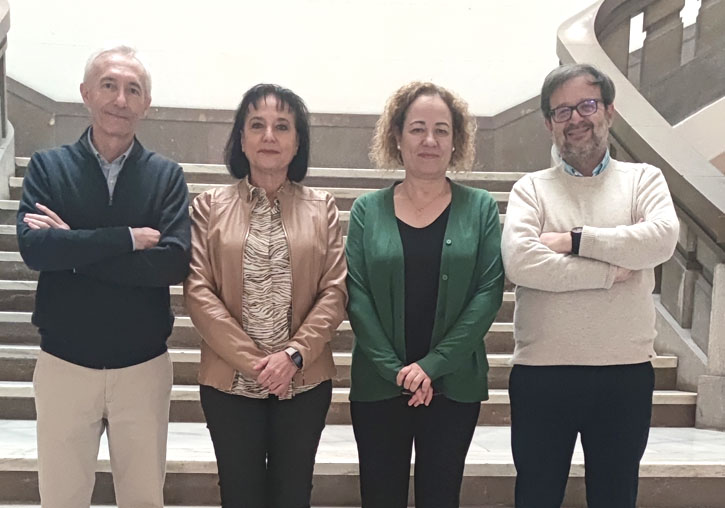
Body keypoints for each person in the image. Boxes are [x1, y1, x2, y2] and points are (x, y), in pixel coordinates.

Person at [16, 46, 191, 508]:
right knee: (61, 499)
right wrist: (126, 239)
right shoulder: (48, 168)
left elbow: (172, 263)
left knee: (143, 499)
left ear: (146, 104)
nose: (120, 98)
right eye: (109, 85)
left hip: (143, 367)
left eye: (133, 89)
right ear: (86, 93)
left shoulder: (166, 177)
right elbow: (36, 250)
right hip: (64, 366)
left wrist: (73, 248)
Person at [501, 63, 679, 508]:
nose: (576, 119)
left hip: (625, 374)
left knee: (616, 496)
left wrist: (572, 240)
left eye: (587, 105)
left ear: (609, 112)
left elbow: (659, 240)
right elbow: (522, 262)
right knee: (536, 496)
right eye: (562, 112)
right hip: (543, 374)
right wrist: (608, 271)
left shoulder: (644, 180)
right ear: (548, 124)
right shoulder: (531, 190)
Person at [184, 83, 347, 508]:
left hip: (304, 379)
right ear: (241, 139)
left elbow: (334, 291)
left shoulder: (322, 207)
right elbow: (199, 293)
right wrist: (257, 364)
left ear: (298, 142)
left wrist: (292, 355)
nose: (269, 136)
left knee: (294, 494)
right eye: (257, 125)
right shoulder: (208, 207)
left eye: (282, 126)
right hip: (229, 383)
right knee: (239, 495)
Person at [346, 81, 505, 508]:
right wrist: (398, 371)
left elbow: (488, 293)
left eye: (442, 130)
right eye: (417, 129)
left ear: (457, 141)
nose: (429, 140)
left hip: (454, 385)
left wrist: (432, 367)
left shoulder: (481, 208)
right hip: (379, 385)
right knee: (380, 497)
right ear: (396, 137)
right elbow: (356, 295)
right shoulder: (366, 210)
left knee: (441, 496)